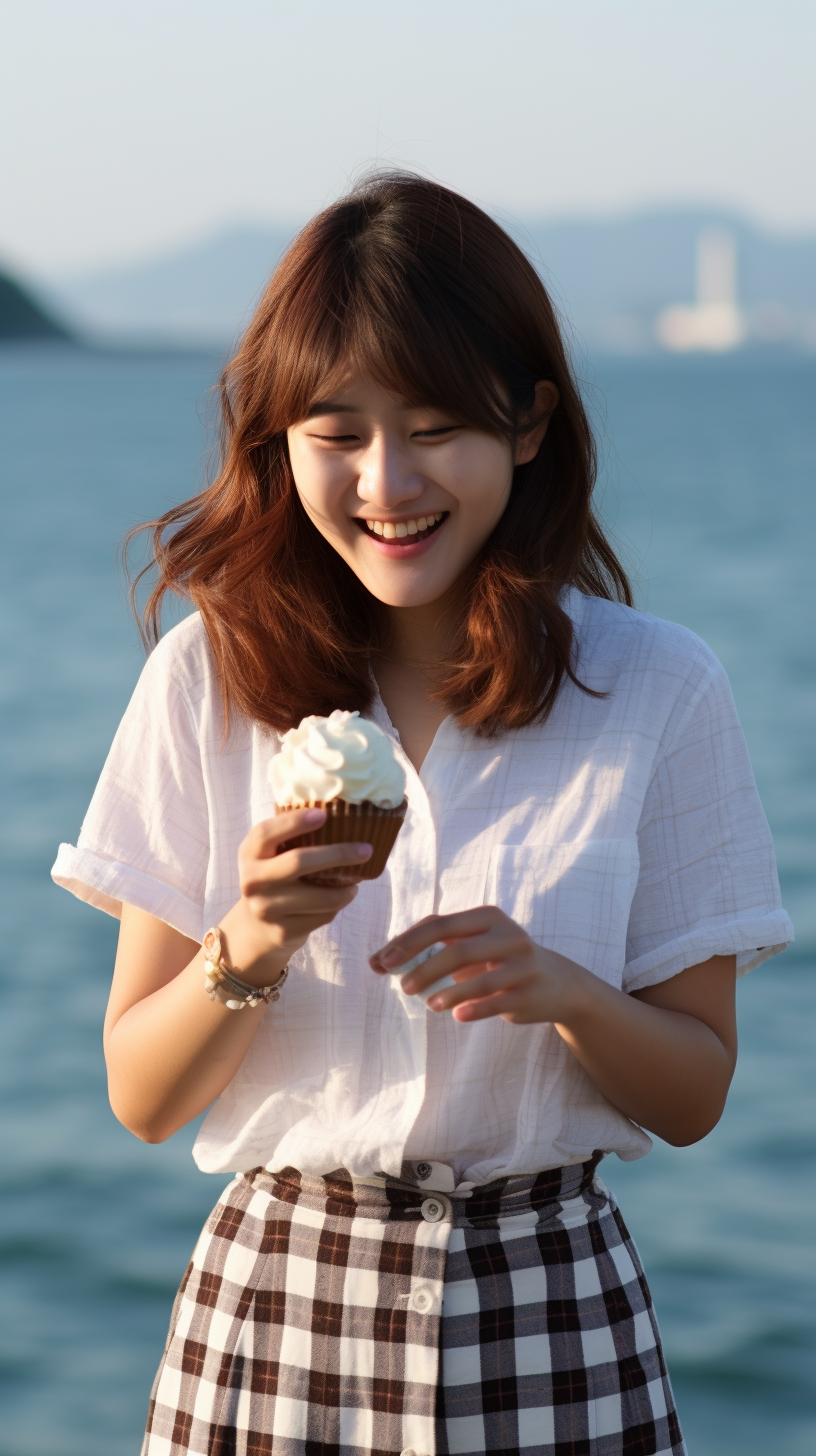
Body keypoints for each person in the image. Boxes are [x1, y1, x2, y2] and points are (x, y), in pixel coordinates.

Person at [52, 173, 792, 1456]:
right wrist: (254, 942)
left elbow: (696, 1091)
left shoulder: (657, 688)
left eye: (438, 424)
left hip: (554, 1302)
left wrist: (564, 988)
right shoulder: (208, 679)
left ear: (529, 424)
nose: (387, 481)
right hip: (277, 1310)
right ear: (277, 441)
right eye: (336, 432)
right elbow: (142, 1093)